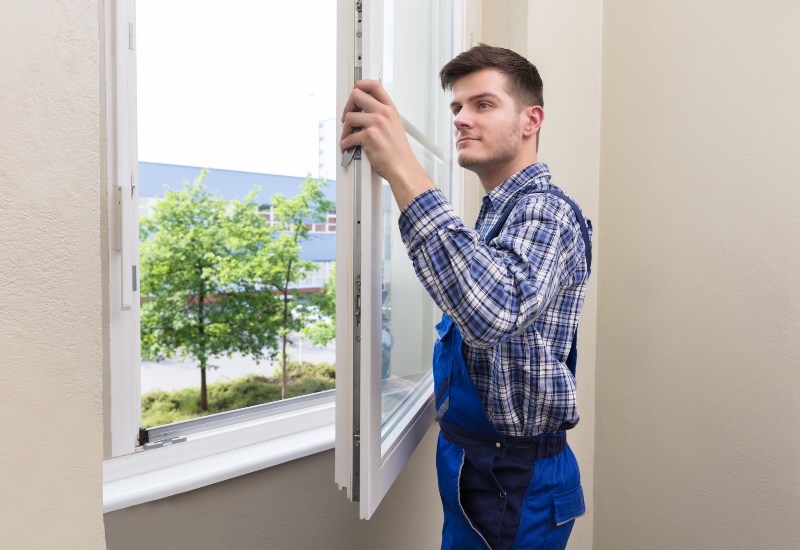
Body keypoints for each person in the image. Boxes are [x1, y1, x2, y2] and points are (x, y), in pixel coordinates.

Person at [341, 44, 592, 550]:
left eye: (483, 104)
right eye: (456, 107)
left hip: (518, 477)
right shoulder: (495, 217)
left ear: (530, 120)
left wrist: (403, 169)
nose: (461, 118)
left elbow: (495, 310)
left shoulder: (548, 212)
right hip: (473, 465)